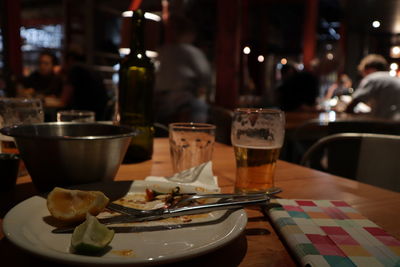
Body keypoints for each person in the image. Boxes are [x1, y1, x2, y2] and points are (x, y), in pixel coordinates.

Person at [154, 14, 211, 125]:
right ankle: (196, 135)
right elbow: (205, 76)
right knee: (200, 106)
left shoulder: (159, 51)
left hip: (157, 101)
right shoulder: (191, 51)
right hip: (181, 100)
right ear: (189, 33)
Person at [45, 50, 109, 121]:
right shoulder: (89, 69)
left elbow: (63, 100)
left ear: (70, 59)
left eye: (62, 60)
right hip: (98, 115)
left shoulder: (75, 69)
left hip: (85, 116)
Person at [346, 54, 400, 119]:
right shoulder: (393, 78)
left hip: (388, 124)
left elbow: (351, 106)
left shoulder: (373, 78)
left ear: (369, 69)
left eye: (363, 72)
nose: (363, 75)